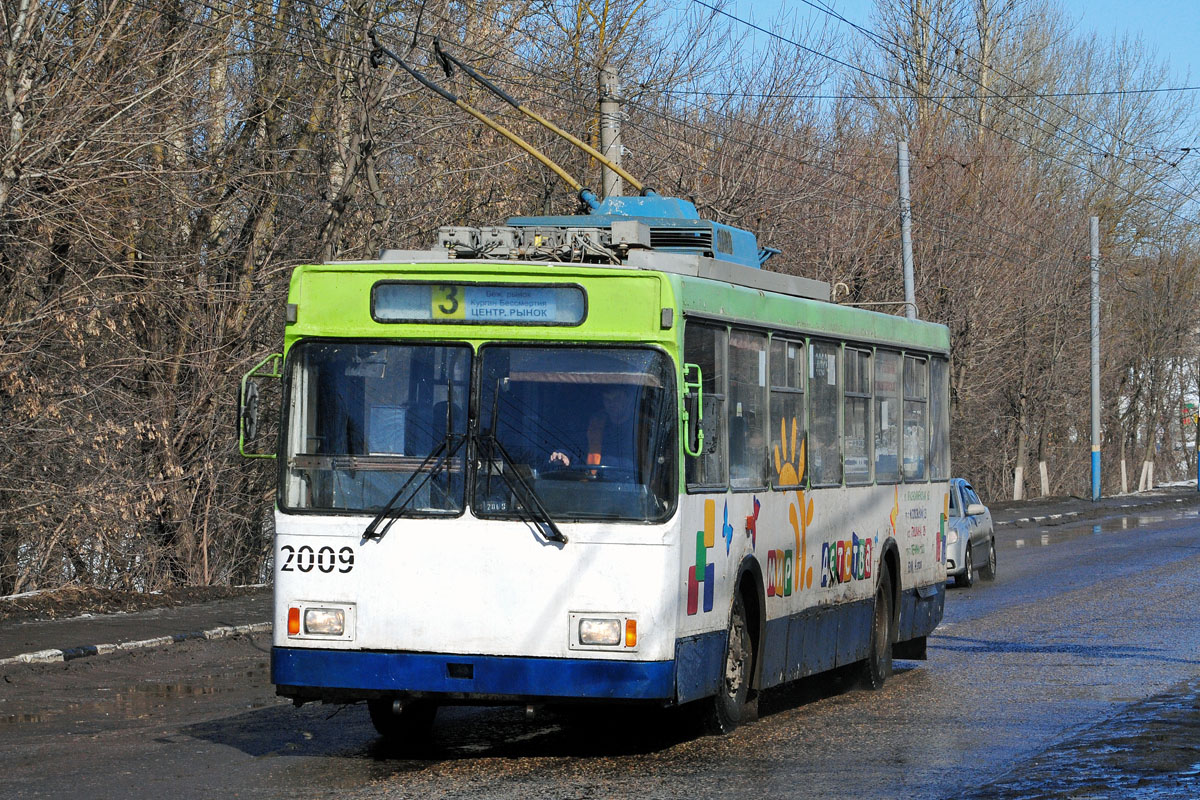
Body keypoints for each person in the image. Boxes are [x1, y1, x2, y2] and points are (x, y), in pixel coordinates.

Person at [549, 385, 638, 471]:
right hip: (593, 483)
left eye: (617, 399)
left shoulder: (639, 426)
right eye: (607, 400)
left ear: (629, 400)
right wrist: (564, 455)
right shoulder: (595, 424)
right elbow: (577, 451)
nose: (612, 404)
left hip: (630, 484)